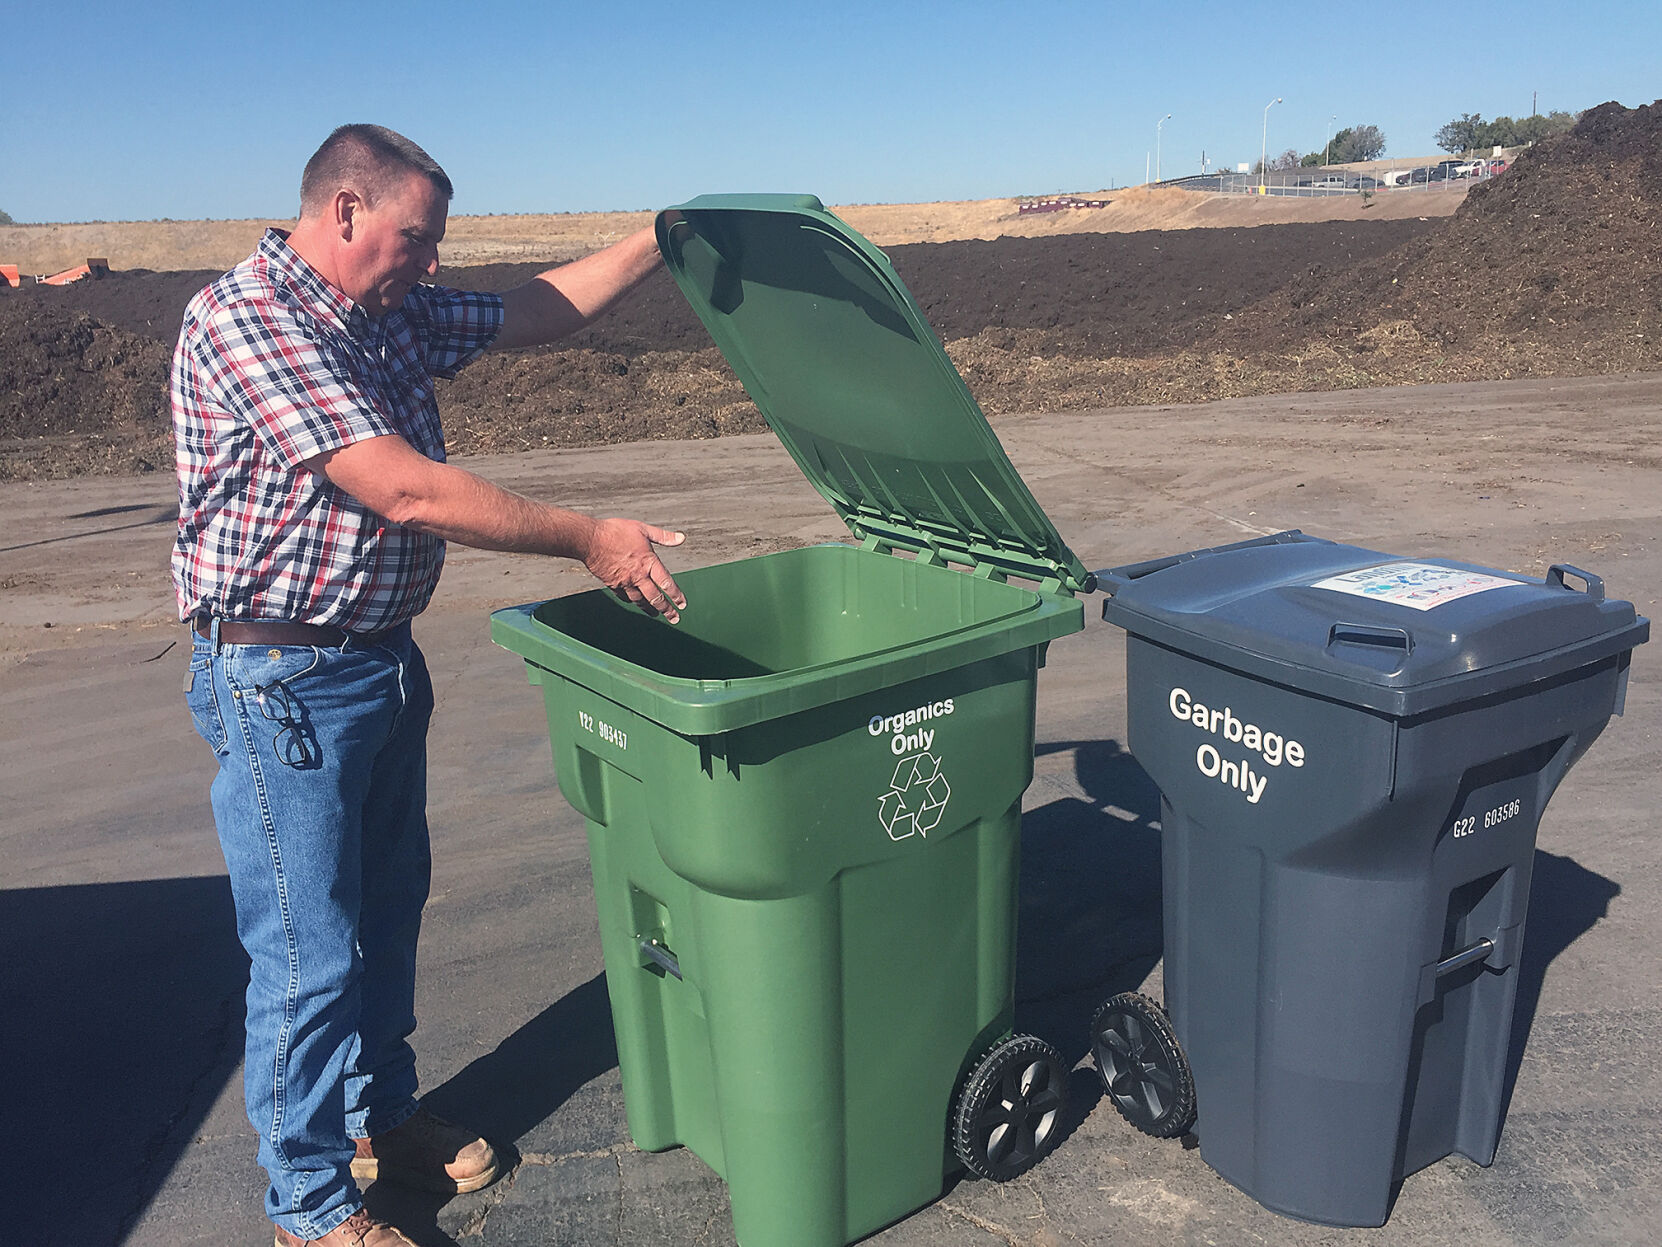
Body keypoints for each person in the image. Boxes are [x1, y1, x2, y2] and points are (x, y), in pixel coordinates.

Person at [172, 123, 686, 1247]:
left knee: (389, 909)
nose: (433, 261)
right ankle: (308, 1212)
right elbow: (403, 489)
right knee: (307, 951)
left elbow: (540, 308)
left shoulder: (387, 303)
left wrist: (663, 237)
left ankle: (378, 1119)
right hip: (282, 677)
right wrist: (590, 537)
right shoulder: (249, 319)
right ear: (343, 211)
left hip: (375, 660)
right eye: (418, 236)